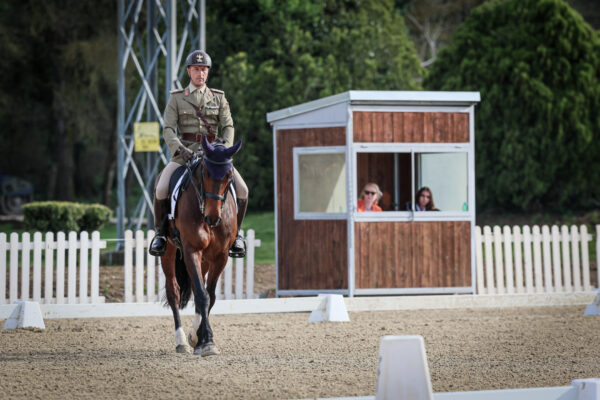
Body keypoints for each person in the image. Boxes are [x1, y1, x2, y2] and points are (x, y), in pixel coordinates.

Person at [149, 50, 249, 258]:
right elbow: (168, 129)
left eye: (204, 70)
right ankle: (160, 234)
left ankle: (237, 236)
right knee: (161, 188)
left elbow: (228, 125)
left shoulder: (218, 97)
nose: (200, 73)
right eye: (196, 69)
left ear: (208, 72)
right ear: (188, 71)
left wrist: (224, 151)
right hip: (183, 154)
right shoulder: (177, 99)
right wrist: (180, 149)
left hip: (214, 157)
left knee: (243, 190)